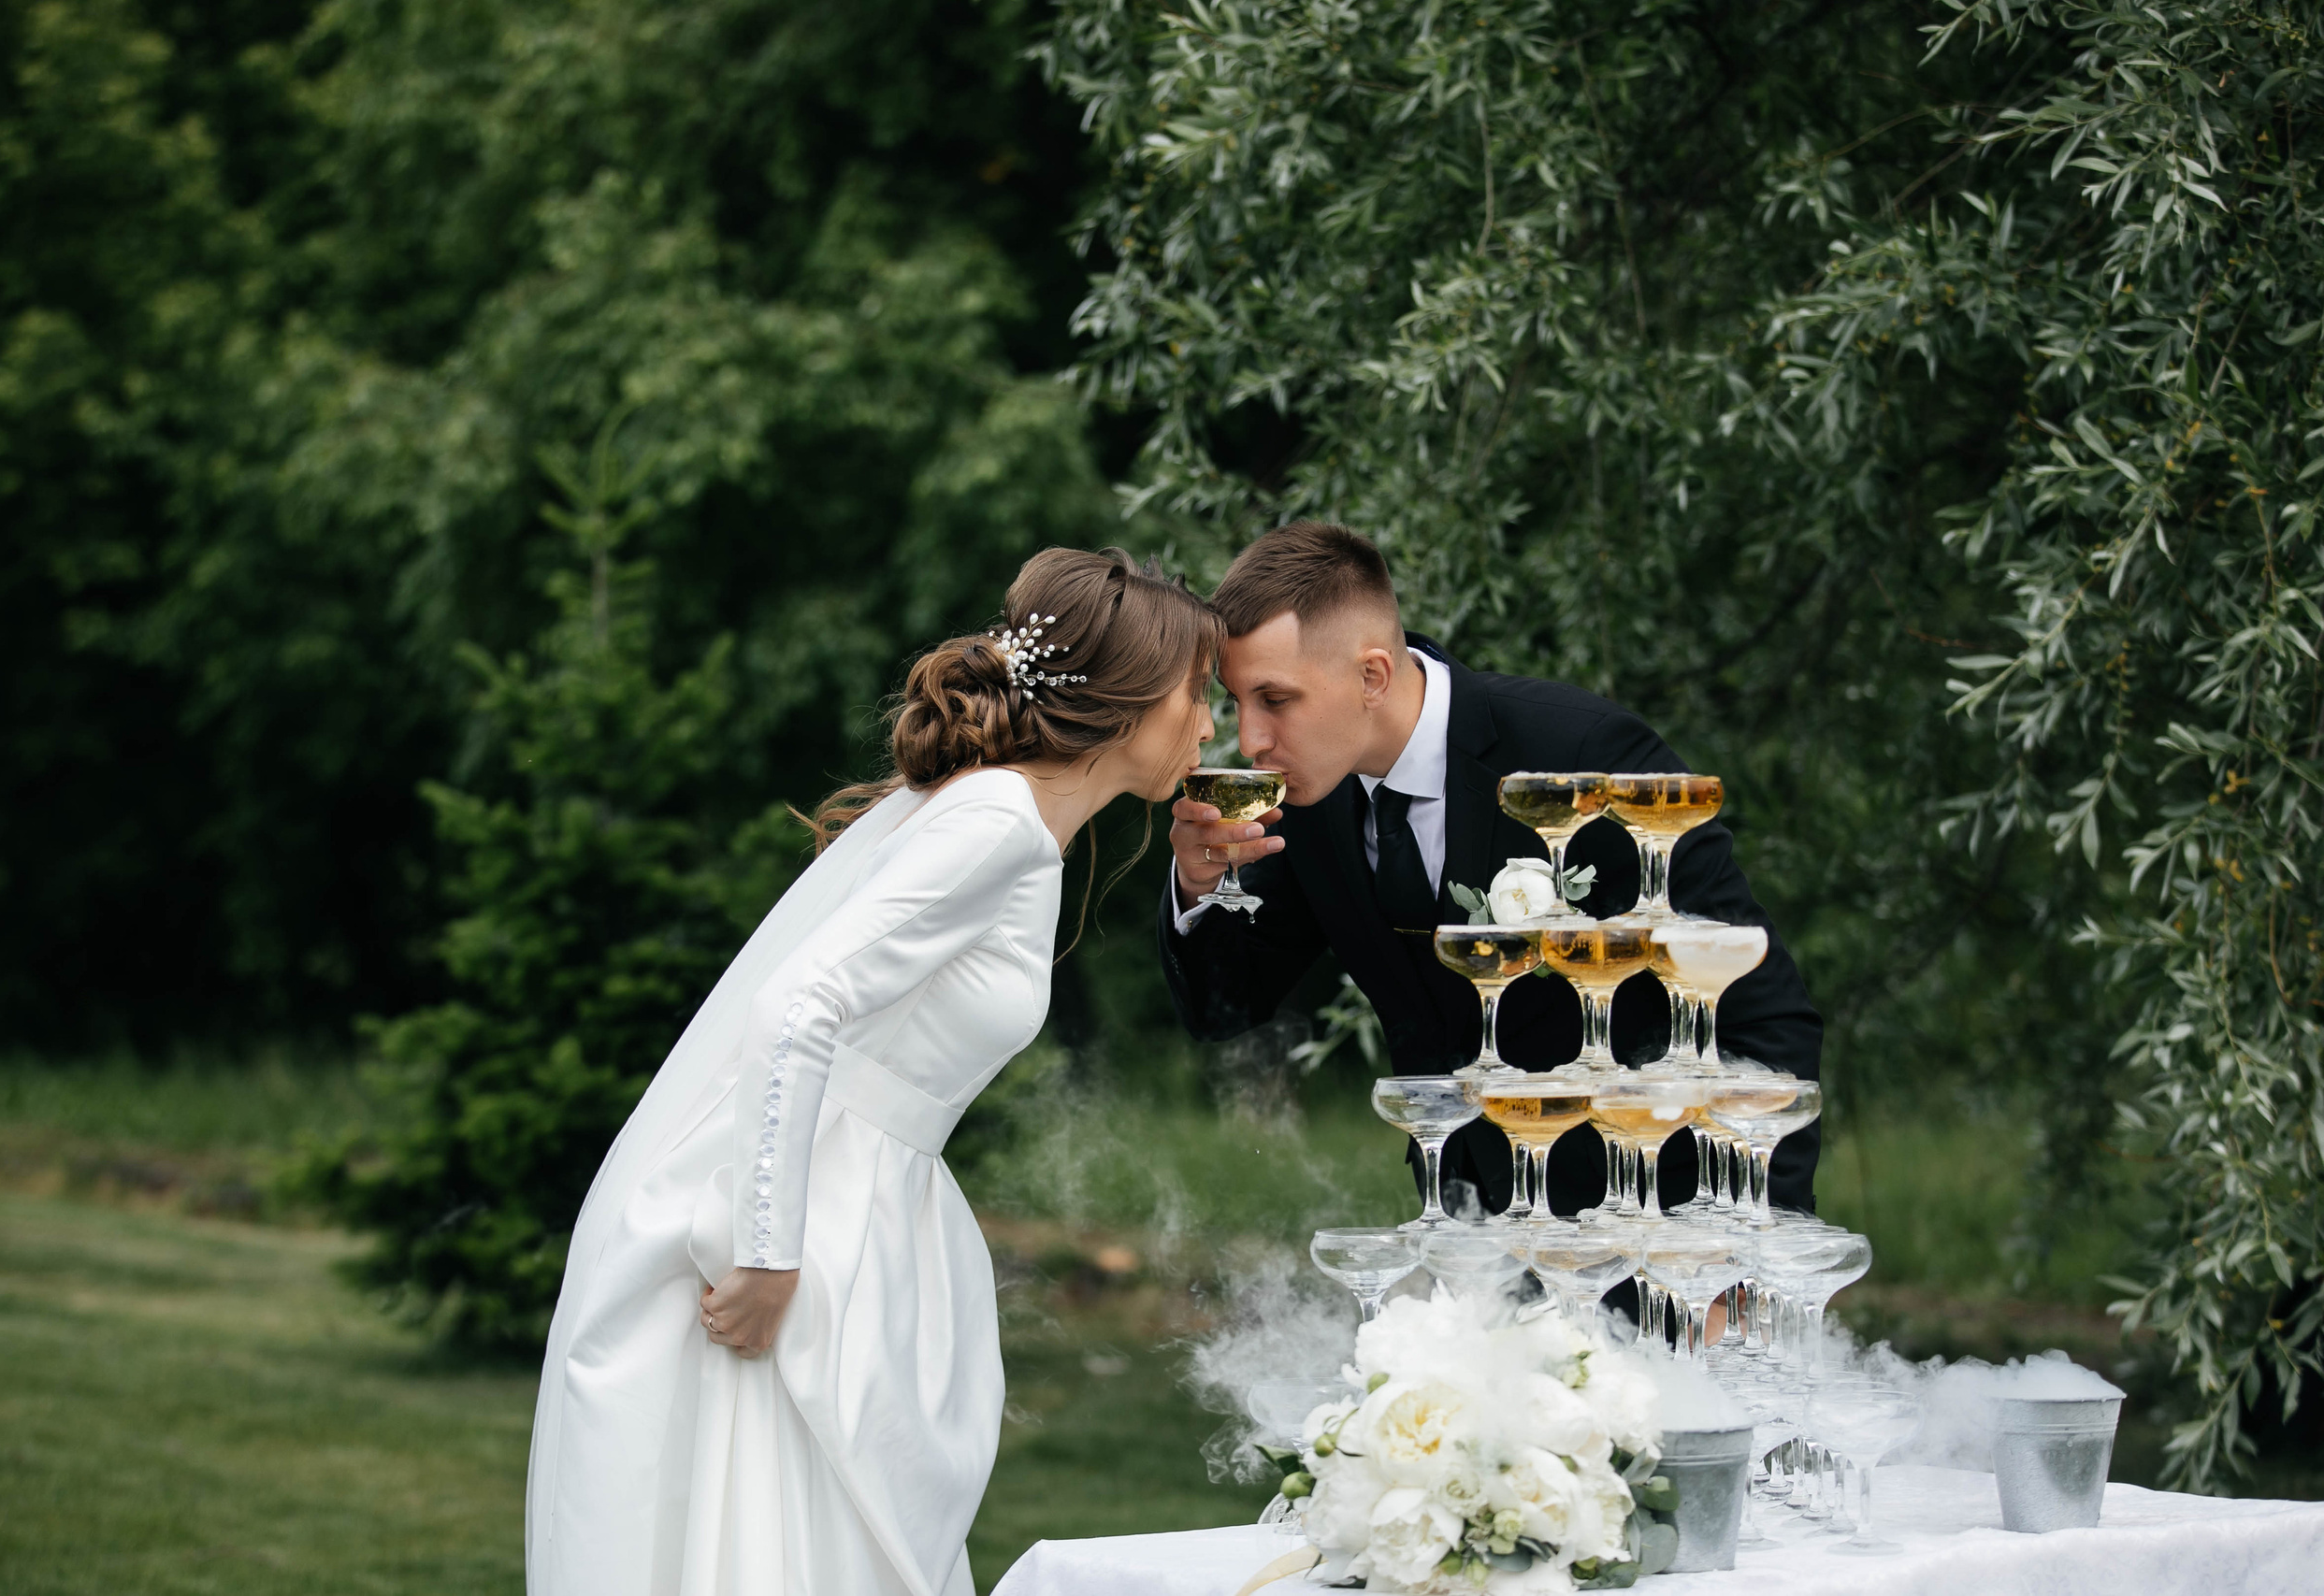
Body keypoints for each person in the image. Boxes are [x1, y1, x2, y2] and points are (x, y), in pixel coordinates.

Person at [527, 548, 1222, 1596]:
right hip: (810, 1211)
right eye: (1197, 694)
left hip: (872, 1198)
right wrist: (767, 1252)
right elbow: (797, 1005)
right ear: (1124, 704)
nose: (1210, 725)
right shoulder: (996, 824)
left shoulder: (1014, 826)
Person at [1159, 521, 1822, 1217]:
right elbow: (1221, 1007)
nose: (1250, 739)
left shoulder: (1585, 753)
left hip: (1654, 1230)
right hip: (1469, 1245)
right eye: (1237, 702)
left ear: (1372, 675)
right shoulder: (1307, 799)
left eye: (1274, 699)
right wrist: (1197, 890)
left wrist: (1746, 1252)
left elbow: (1763, 1012)